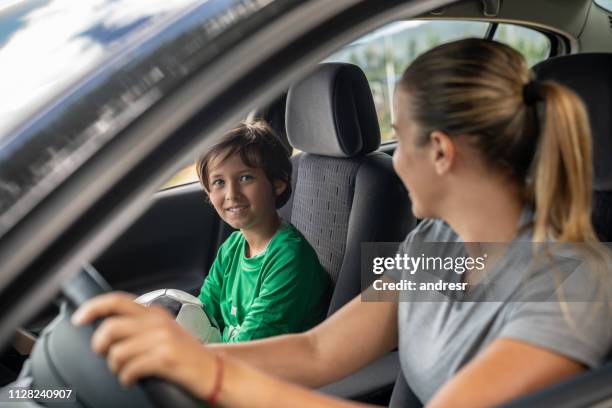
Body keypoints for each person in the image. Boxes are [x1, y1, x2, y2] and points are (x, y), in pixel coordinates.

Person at [72, 39, 612, 407]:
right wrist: (186, 359)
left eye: (401, 136)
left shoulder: (573, 284)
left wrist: (212, 376)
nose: (394, 160)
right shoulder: (434, 247)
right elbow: (320, 350)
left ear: (441, 152)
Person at [195, 121, 330, 342]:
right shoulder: (231, 248)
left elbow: (249, 345)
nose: (231, 194)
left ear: (277, 183)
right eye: (219, 182)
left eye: (245, 178)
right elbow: (201, 315)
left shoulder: (288, 257)